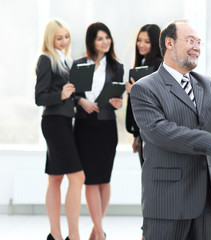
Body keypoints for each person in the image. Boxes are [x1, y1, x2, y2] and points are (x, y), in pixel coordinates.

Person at [130, 20, 211, 240]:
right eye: (190, 41)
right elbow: (162, 132)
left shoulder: (207, 84)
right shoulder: (145, 88)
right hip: (168, 203)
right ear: (169, 43)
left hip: (207, 200)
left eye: (199, 42)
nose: (197, 47)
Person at [73, 22, 124, 240]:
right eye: (100, 38)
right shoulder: (79, 64)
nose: (105, 42)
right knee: (91, 180)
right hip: (85, 127)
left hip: (106, 126)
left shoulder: (117, 67)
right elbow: (72, 93)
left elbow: (119, 98)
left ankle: (96, 231)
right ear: (91, 42)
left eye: (107, 37)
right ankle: (101, 234)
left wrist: (119, 103)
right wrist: (81, 101)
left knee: (104, 179)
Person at [35, 18, 85, 240]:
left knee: (55, 179)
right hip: (54, 122)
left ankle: (54, 235)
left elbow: (69, 94)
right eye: (59, 37)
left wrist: (78, 98)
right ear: (50, 39)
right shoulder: (46, 59)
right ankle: (73, 235)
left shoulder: (66, 60)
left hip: (64, 121)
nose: (64, 41)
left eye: (66, 37)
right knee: (78, 177)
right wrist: (61, 95)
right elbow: (39, 97)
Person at [125, 24, 163, 166]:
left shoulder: (158, 65)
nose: (141, 45)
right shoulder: (141, 63)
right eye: (139, 40)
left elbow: (157, 100)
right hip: (143, 134)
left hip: (152, 136)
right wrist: (136, 136)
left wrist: (134, 92)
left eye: (147, 42)